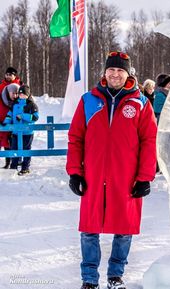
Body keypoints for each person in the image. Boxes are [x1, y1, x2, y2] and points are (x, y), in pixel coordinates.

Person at [66, 51, 157, 289]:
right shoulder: (88, 100)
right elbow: (75, 138)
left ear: (128, 74)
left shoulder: (141, 103)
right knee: (89, 230)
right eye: (111, 70)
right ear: (105, 72)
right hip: (93, 177)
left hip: (126, 178)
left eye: (120, 70)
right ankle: (89, 279)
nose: (115, 74)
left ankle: (115, 276)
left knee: (124, 230)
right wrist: (75, 172)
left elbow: (149, 141)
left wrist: (145, 177)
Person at [2, 85, 39, 175]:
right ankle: (13, 167)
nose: (21, 96)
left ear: (28, 95)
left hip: (27, 132)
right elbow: (9, 114)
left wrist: (23, 116)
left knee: (26, 150)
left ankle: (25, 167)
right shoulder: (15, 104)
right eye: (20, 94)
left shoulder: (31, 104)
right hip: (15, 131)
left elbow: (35, 117)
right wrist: (6, 122)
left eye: (24, 94)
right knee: (14, 149)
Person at [0, 67, 23, 168]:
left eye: (11, 74)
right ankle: (7, 162)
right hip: (2, 116)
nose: (8, 76)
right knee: (3, 139)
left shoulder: (20, 86)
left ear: (14, 76)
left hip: (15, 118)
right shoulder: (1, 86)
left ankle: (17, 160)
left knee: (14, 140)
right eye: (7, 74)